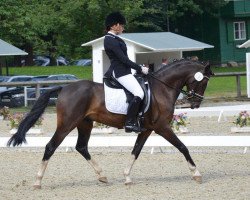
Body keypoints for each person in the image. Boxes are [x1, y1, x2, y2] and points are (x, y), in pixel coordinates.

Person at [104, 11, 149, 133]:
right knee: (139, 93)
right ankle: (129, 123)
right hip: (119, 72)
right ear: (114, 26)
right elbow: (123, 59)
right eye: (121, 25)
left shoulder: (115, 39)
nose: (123, 28)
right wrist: (140, 68)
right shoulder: (109, 40)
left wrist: (137, 67)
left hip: (125, 71)